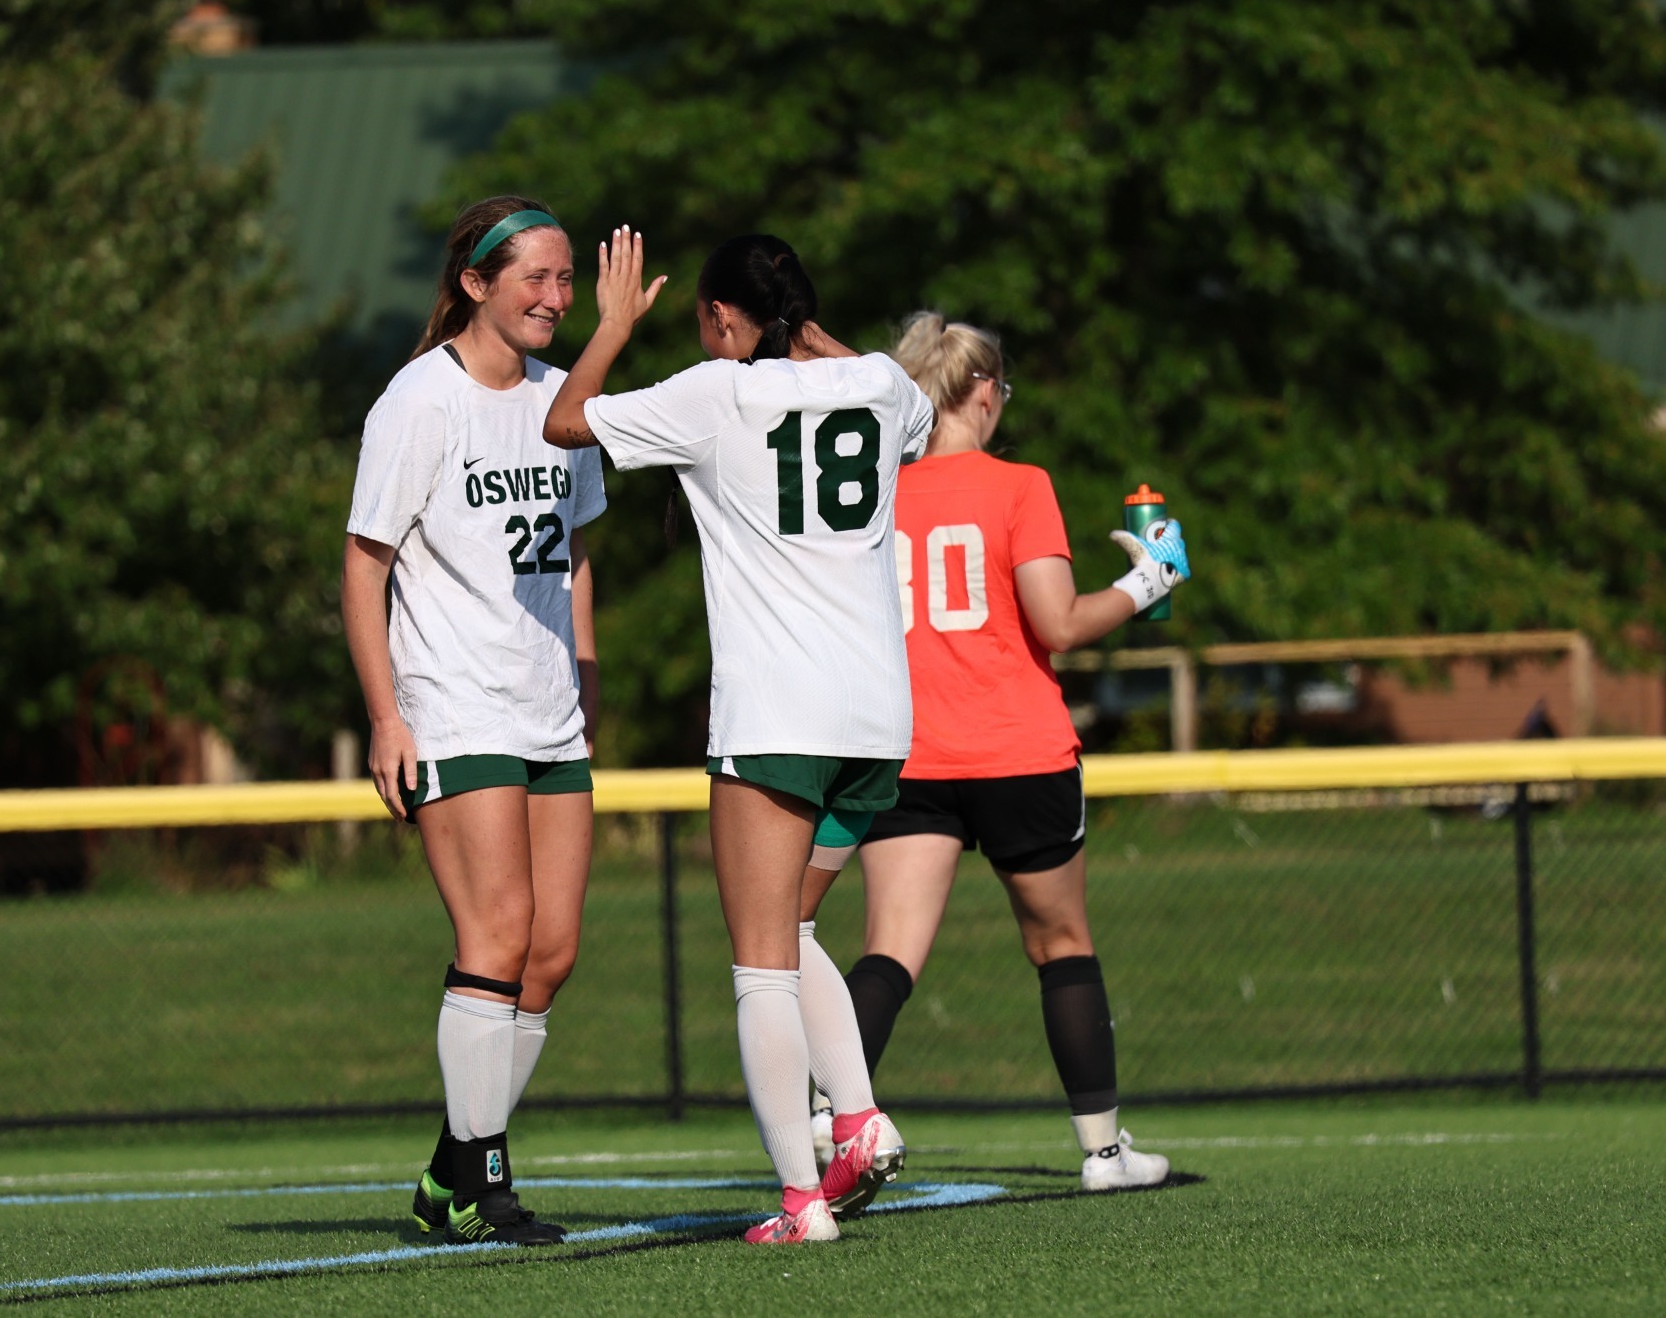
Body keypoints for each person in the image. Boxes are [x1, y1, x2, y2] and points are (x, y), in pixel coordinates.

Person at [544, 228, 934, 1244]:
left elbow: (563, 419)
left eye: (707, 324)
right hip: (877, 720)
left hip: (776, 715)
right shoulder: (882, 383)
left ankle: (801, 1202)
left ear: (724, 320)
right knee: (795, 932)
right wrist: (805, 332)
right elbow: (916, 416)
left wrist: (615, 327)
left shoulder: (715, 393)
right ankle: (856, 1122)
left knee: (758, 962)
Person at [803, 312, 1188, 1190]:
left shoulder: (877, 488)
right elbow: (1058, 622)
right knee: (1062, 945)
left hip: (909, 753)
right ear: (983, 392)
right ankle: (1102, 1152)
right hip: (1019, 748)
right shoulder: (1019, 485)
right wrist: (1147, 580)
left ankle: (838, 1119)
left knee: (889, 951)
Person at [342, 195, 603, 1246]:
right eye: (535, 276)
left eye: (565, 277)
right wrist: (384, 714)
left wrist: (588, 671)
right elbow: (366, 562)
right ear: (474, 283)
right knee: (494, 935)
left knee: (551, 954)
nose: (555, 296)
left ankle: (445, 1174)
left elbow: (577, 552)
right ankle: (486, 1183)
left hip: (549, 708)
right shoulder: (419, 400)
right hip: (455, 701)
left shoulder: (561, 398)